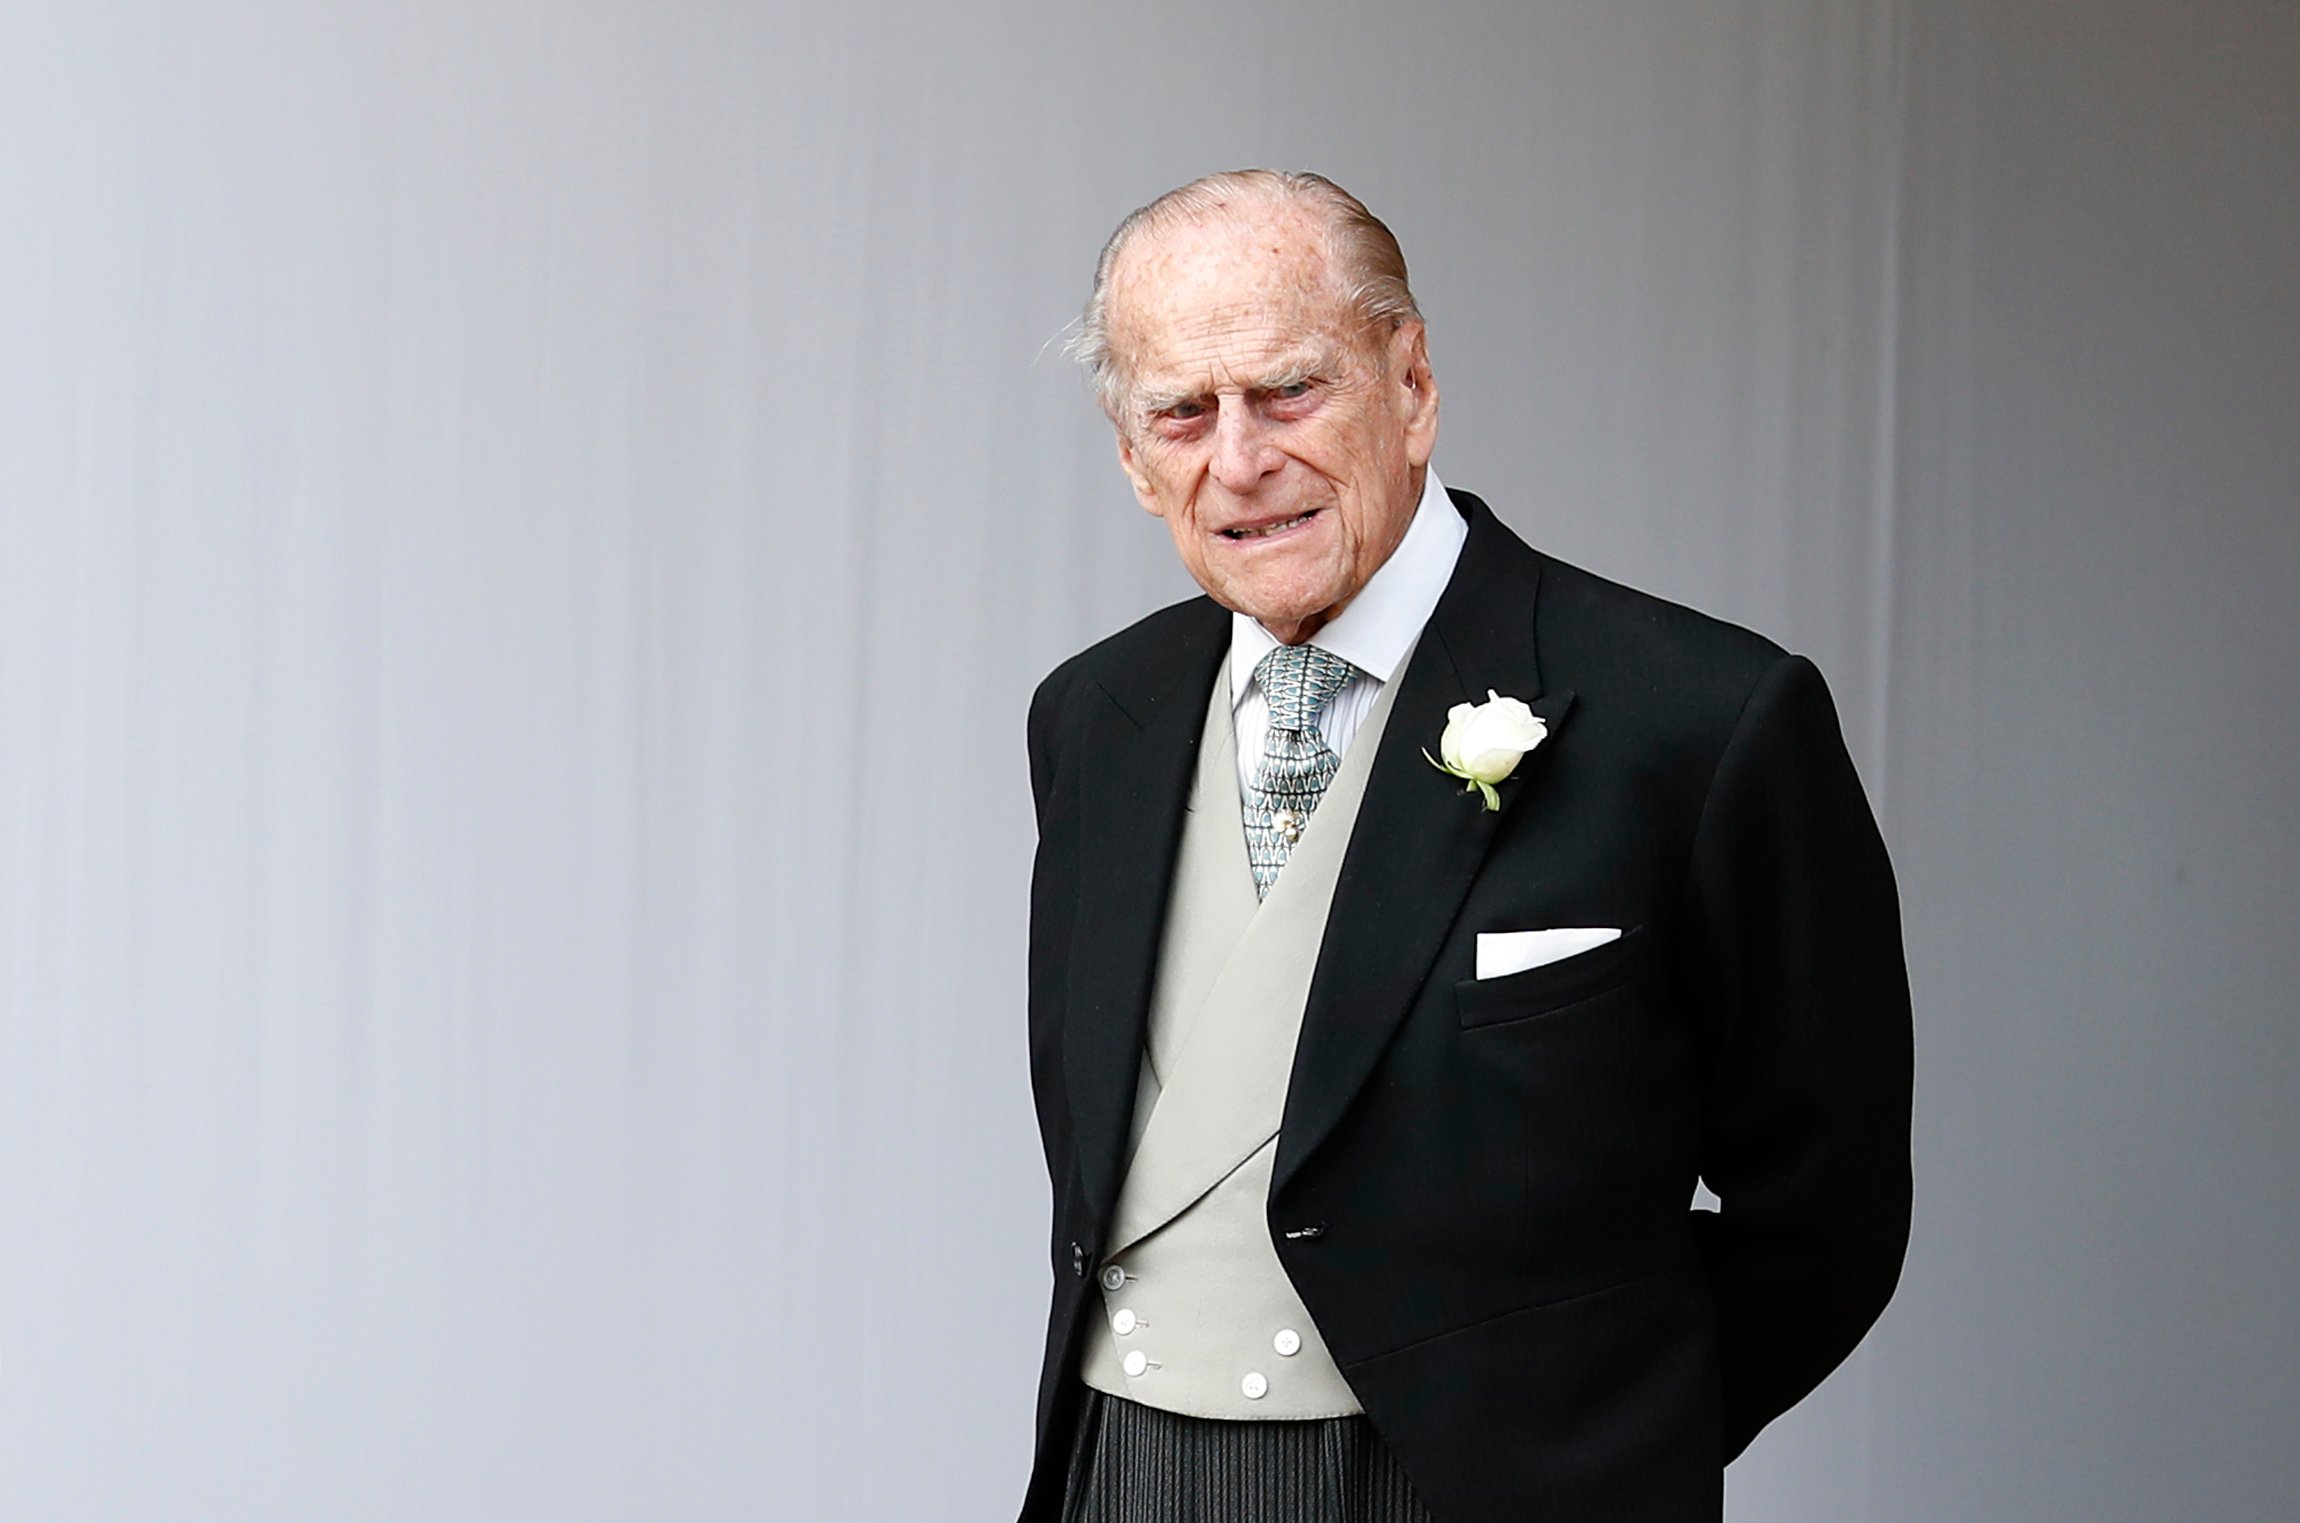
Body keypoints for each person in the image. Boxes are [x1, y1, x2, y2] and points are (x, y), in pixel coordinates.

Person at [1018, 169, 1912, 1523]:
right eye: (1184, 413)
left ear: (1414, 384)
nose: (1240, 459)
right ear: (1134, 461)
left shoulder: (1702, 718)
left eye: (1290, 392)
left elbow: (1828, 1216)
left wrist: (1591, 1443)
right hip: (1125, 1474)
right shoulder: (1094, 718)